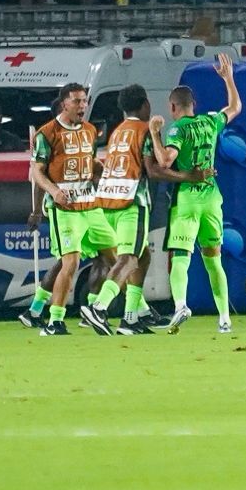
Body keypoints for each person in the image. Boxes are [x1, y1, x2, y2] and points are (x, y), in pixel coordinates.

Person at [79, 84, 207, 335]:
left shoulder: (118, 131)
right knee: (129, 259)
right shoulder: (144, 130)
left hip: (106, 200)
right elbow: (154, 170)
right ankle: (99, 308)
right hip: (130, 202)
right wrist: (188, 176)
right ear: (145, 104)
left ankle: (132, 318)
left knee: (142, 257)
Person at [157, 54, 241, 334]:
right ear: (194, 105)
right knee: (213, 257)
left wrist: (155, 135)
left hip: (188, 199)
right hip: (212, 198)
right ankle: (225, 318)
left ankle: (180, 304)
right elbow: (235, 107)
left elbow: (167, 161)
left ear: (173, 107)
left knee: (180, 255)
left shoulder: (177, 129)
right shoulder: (209, 122)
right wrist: (228, 78)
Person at [24, 83, 112, 336]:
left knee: (118, 259)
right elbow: (36, 172)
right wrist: (52, 194)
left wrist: (107, 175)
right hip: (65, 209)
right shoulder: (47, 133)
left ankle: (98, 310)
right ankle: (55, 321)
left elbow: (91, 161)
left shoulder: (90, 130)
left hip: (91, 205)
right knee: (70, 262)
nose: (82, 106)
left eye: (84, 101)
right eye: (77, 101)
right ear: (64, 103)